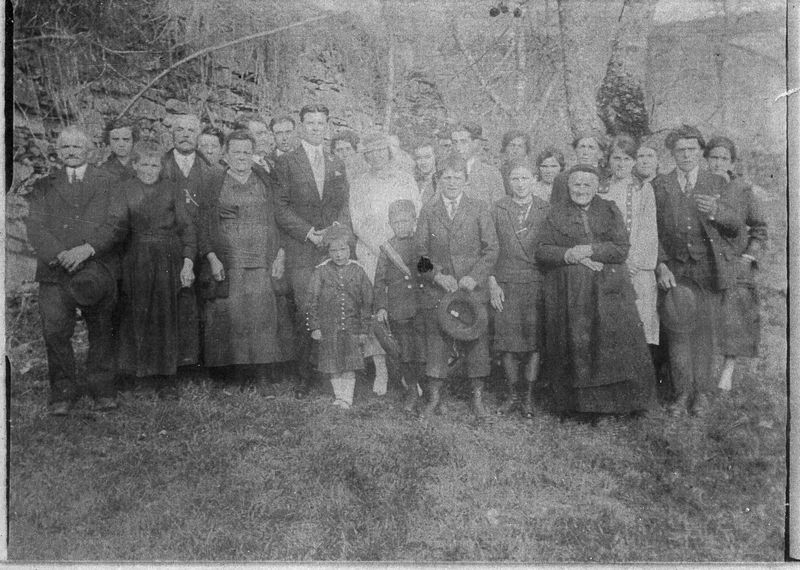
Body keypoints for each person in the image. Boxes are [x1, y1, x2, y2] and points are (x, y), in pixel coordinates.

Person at [535, 165, 656, 417]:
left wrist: (589, 250)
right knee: (577, 347)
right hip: (571, 294)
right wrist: (570, 254)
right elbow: (542, 250)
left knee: (614, 345)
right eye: (576, 185)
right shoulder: (554, 213)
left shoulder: (609, 209)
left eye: (587, 185)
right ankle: (579, 407)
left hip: (608, 290)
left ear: (596, 186)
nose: (581, 190)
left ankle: (621, 405)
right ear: (568, 187)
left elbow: (621, 248)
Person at [25, 126, 121, 415]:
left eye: (77, 147)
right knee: (55, 331)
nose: (71, 152)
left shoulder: (108, 181)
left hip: (96, 266)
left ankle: (102, 389)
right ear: (57, 151)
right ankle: (63, 392)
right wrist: (59, 254)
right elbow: (35, 226)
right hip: (55, 271)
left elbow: (116, 222)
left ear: (89, 150)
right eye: (65, 147)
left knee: (102, 330)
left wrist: (87, 249)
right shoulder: (44, 185)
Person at [653, 125, 741, 417]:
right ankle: (681, 394)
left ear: (701, 152)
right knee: (678, 333)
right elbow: (652, 231)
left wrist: (715, 210)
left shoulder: (717, 182)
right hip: (675, 270)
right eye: (680, 150)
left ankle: (701, 394)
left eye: (692, 149)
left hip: (707, 270)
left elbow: (735, 225)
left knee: (706, 333)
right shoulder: (661, 184)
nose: (687, 155)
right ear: (672, 153)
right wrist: (661, 264)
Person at [199, 130, 292, 383]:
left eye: (246, 152)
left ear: (253, 154)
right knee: (233, 315)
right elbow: (204, 225)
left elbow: (280, 220)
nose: (241, 156)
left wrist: (280, 254)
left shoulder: (265, 181)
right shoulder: (214, 182)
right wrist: (212, 258)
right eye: (236, 152)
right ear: (226, 154)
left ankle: (262, 373)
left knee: (262, 315)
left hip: (262, 259)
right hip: (229, 261)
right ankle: (235, 374)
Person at [275, 104, 351, 397]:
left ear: (327, 126)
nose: (316, 128)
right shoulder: (286, 162)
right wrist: (309, 233)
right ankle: (304, 377)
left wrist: (333, 234)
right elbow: (280, 208)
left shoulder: (335, 161)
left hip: (330, 248)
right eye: (310, 123)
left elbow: (343, 204)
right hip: (302, 248)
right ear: (301, 126)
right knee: (306, 309)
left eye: (320, 123)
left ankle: (331, 372)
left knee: (332, 306)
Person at [415, 155, 499, 420]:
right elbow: (419, 254)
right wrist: (438, 276)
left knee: (477, 344)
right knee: (436, 344)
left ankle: (477, 398)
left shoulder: (478, 208)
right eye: (447, 177)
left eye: (457, 177)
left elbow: (491, 249)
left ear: (466, 180)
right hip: (439, 291)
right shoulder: (429, 210)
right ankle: (434, 397)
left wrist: (474, 277)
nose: (452, 182)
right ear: (438, 180)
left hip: (471, 291)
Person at [108, 141, 197, 386]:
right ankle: (137, 372)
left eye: (154, 165)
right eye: (144, 164)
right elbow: (116, 228)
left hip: (168, 257)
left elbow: (187, 228)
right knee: (136, 313)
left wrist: (188, 262)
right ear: (135, 165)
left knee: (165, 315)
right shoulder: (124, 189)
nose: (149, 170)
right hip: (136, 258)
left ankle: (166, 375)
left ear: (161, 167)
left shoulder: (172, 189)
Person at [349, 132, 421, 395]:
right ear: (365, 156)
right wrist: (383, 248)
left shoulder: (405, 179)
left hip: (404, 253)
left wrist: (401, 248)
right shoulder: (358, 184)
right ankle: (381, 370)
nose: (377, 156)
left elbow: (417, 213)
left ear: (389, 152)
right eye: (371, 152)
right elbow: (358, 223)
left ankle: (407, 373)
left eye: (381, 150)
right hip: (372, 253)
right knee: (376, 310)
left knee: (404, 311)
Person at [704, 136, 768, 393]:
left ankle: (727, 371)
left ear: (732, 162)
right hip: (706, 261)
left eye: (724, 158)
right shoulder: (698, 184)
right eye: (714, 158)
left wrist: (749, 257)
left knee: (734, 315)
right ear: (706, 159)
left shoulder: (742, 189)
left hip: (734, 262)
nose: (718, 163)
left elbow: (759, 228)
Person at [489, 162, 549, 418]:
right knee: (508, 342)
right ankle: (513, 394)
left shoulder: (545, 208)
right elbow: (490, 248)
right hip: (506, 282)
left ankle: (528, 398)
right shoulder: (498, 208)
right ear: (508, 181)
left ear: (534, 179)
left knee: (534, 343)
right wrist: (492, 282)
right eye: (515, 178)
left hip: (535, 282)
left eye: (525, 178)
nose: (520, 183)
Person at [160, 113, 217, 372]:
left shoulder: (212, 171)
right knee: (171, 302)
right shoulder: (159, 166)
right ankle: (172, 361)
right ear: (171, 134)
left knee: (203, 300)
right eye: (179, 130)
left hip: (204, 244)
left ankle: (200, 361)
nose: (185, 135)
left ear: (198, 135)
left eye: (190, 130)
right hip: (169, 245)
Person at [599, 134, 659, 348]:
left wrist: (633, 261)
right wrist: (615, 258)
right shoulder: (600, 189)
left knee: (638, 322)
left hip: (637, 267)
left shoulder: (643, 189)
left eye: (626, 159)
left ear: (634, 161)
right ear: (609, 160)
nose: (621, 164)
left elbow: (648, 230)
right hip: (607, 264)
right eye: (616, 158)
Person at [306, 225, 373, 409]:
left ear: (349, 249)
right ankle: (339, 397)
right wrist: (315, 326)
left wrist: (364, 329)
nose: (339, 255)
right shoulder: (321, 271)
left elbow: (367, 302)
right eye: (334, 251)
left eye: (342, 249)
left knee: (350, 363)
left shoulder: (358, 271)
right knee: (333, 363)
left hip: (352, 327)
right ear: (328, 251)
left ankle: (347, 398)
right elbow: (311, 300)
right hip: (329, 327)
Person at [374, 199, 427, 412]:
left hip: (421, 305)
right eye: (396, 222)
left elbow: (428, 271)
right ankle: (412, 389)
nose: (401, 226)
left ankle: (427, 389)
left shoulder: (421, 244)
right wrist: (381, 306)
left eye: (406, 221)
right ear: (390, 224)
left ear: (414, 221)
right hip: (399, 307)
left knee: (422, 349)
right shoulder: (387, 249)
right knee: (405, 351)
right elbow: (379, 281)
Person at [450, 122, 505, 206]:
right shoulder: (446, 173)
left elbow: (500, 208)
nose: (458, 147)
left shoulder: (491, 173)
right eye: (455, 142)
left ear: (475, 143)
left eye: (463, 142)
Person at [550, 131, 607, 206]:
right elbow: (555, 208)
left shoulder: (606, 178)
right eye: (582, 147)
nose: (585, 152)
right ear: (575, 151)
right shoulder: (562, 179)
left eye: (591, 148)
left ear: (600, 154)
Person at [499, 130, 531, 196]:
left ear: (526, 151)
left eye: (520, 146)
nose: (515, 149)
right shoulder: (500, 171)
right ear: (505, 148)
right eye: (512, 145)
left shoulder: (531, 172)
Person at [412, 139, 438, 206]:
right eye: (419, 158)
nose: (423, 162)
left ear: (435, 156)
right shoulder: (414, 182)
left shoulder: (441, 182)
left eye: (427, 157)